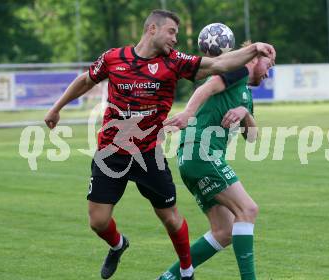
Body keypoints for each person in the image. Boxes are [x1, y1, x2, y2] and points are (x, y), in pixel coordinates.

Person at [44, 8, 275, 280]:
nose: (175, 39)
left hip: (148, 154)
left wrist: (254, 53)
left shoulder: (175, 61)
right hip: (114, 151)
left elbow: (217, 65)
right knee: (98, 221)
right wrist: (57, 107)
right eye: (172, 32)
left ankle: (182, 273)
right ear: (152, 29)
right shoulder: (113, 58)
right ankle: (119, 245)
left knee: (189, 222)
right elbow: (86, 80)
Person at [158, 41, 272, 280]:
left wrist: (245, 113)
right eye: (268, 64)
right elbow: (207, 88)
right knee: (248, 209)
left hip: (193, 157)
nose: (268, 72)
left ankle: (169, 277)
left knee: (225, 231)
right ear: (253, 58)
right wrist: (188, 113)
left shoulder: (246, 96)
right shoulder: (238, 71)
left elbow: (251, 137)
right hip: (201, 150)